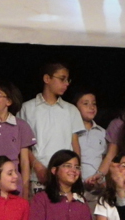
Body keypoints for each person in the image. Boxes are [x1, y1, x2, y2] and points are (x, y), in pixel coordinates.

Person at [18, 61, 84, 194]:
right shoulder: (27, 108)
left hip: (65, 176)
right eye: (62, 79)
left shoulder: (71, 110)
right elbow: (23, 145)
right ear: (47, 78)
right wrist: (37, 166)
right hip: (37, 176)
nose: (66, 84)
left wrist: (76, 169)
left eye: (68, 80)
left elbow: (75, 144)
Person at [72, 89, 107, 210]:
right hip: (77, 187)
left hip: (98, 188)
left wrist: (101, 181)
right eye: (85, 104)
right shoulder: (72, 132)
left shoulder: (103, 133)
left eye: (94, 103)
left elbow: (105, 159)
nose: (91, 107)